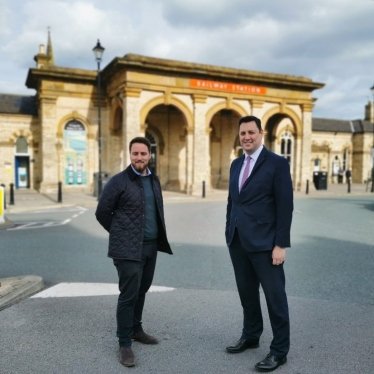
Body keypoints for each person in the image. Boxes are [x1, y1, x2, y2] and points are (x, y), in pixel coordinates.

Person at [95, 136, 172, 367]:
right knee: (128, 295)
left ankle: (136, 329)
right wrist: (121, 234)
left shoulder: (154, 180)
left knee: (142, 290)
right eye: (135, 153)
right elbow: (101, 213)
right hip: (127, 249)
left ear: (150, 155)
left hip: (150, 247)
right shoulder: (119, 181)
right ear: (130, 155)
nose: (140, 157)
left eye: (143, 153)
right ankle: (124, 343)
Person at [225, 115, 293, 372]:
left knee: (275, 298)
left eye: (251, 132)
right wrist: (228, 230)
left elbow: (285, 206)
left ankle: (279, 351)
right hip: (238, 241)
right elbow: (234, 202)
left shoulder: (276, 164)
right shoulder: (236, 164)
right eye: (243, 133)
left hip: (266, 244)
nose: (247, 137)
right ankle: (251, 335)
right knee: (247, 294)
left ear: (261, 133)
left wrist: (280, 245)